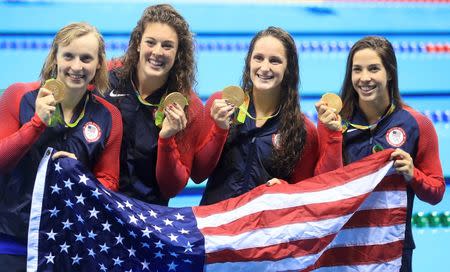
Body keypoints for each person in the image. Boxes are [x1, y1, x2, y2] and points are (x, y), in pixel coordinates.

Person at [315, 36, 445, 271]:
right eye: (357, 70)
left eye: (373, 69)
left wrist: (412, 174)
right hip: (342, 246)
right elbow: (324, 188)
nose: (364, 78)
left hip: (394, 246)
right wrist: (333, 136)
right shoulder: (333, 121)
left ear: (390, 73)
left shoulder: (417, 124)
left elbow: (436, 192)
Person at [0, 22, 122, 270]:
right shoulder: (19, 96)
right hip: (12, 240)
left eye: (86, 58)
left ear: (99, 63)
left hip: (66, 245)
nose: (77, 67)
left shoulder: (108, 116)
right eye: (69, 56)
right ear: (55, 56)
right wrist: (35, 125)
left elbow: (110, 183)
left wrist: (79, 175)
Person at [195, 27, 334, 205]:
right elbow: (198, 174)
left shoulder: (303, 130)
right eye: (258, 58)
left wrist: (287, 189)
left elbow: (304, 197)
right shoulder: (221, 104)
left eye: (275, 61)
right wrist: (219, 130)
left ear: (288, 69)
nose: (264, 67)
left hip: (262, 230)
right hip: (216, 225)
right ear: (249, 62)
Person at [105, 4, 204, 205]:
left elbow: (172, 188)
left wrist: (167, 139)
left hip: (147, 217)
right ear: (138, 44)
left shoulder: (189, 106)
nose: (157, 52)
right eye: (151, 42)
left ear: (178, 53)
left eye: (167, 46)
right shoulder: (107, 78)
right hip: (99, 208)